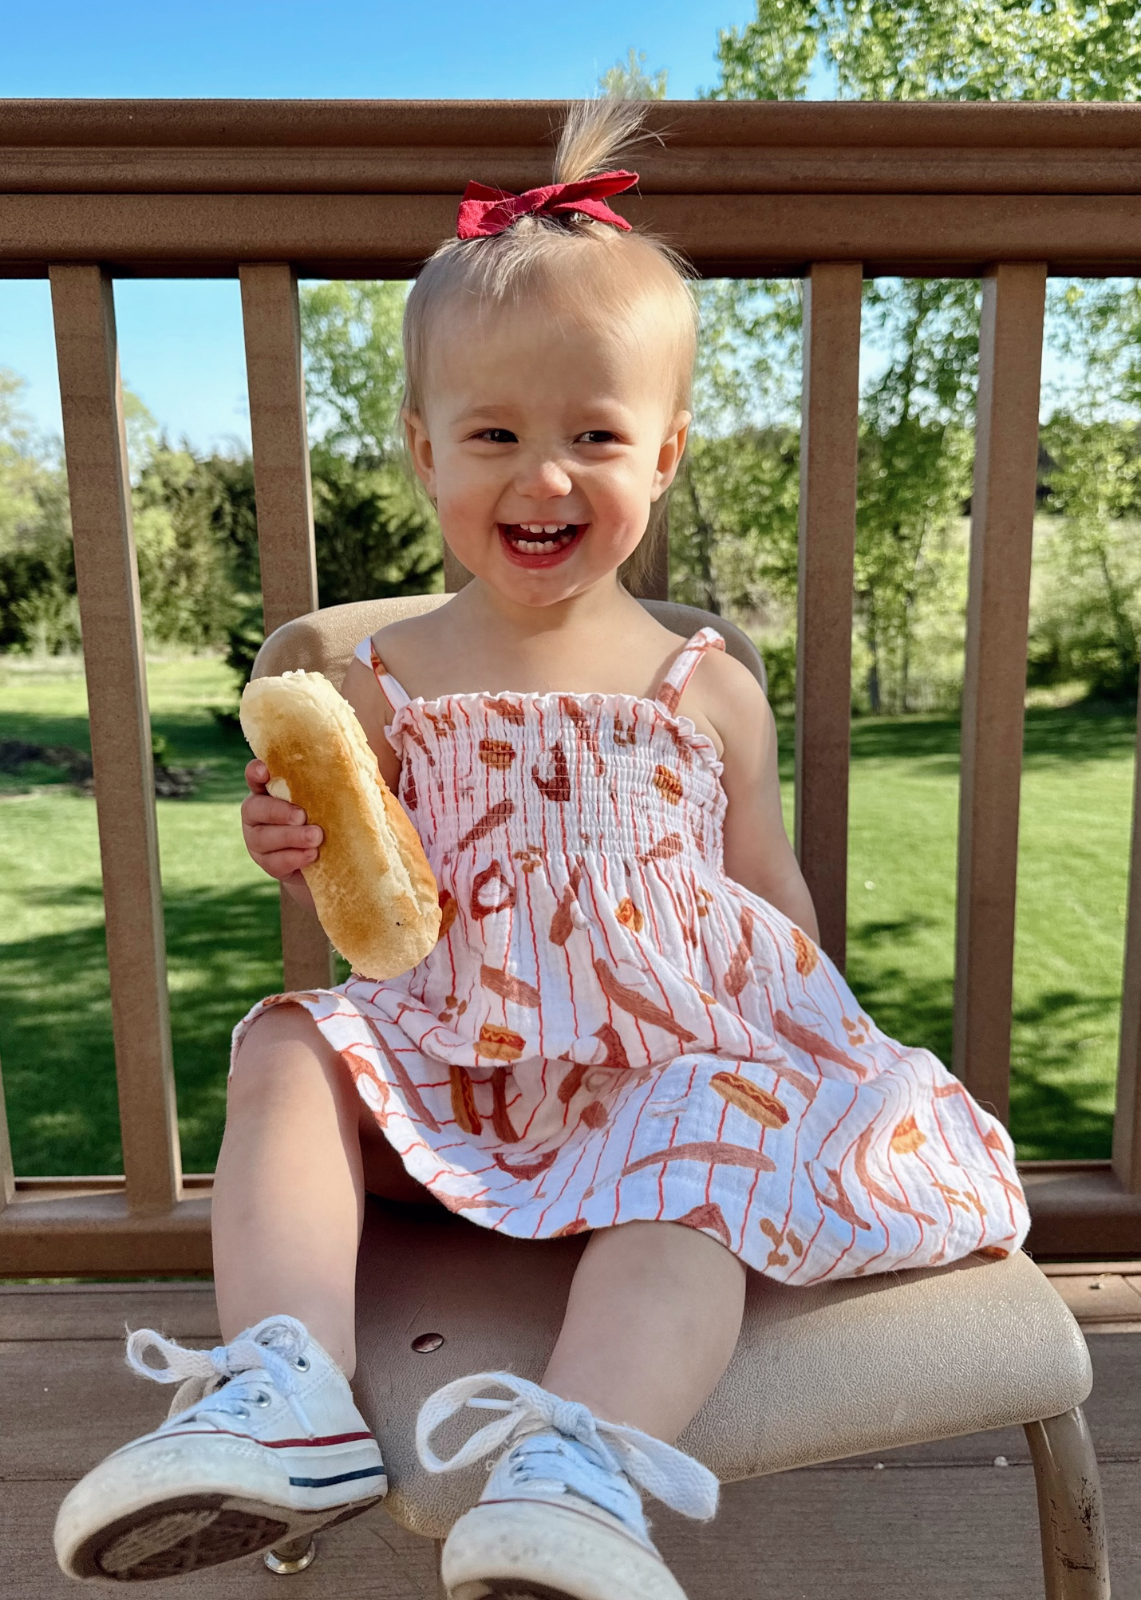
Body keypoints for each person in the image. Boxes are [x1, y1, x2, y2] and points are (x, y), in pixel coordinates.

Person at [53, 100, 1028, 1600]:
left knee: (693, 1183)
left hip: (652, 1075)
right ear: (425, 451)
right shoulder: (378, 683)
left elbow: (763, 886)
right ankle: (288, 1393)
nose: (545, 475)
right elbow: (359, 879)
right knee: (284, 1046)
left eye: (595, 435)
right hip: (459, 1068)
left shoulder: (702, 682)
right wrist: (288, 837)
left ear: (668, 453)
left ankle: (577, 1465)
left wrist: (818, 1050)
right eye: (497, 434)